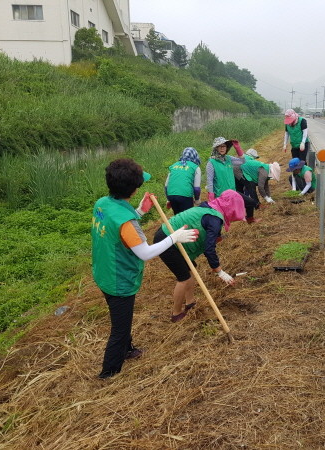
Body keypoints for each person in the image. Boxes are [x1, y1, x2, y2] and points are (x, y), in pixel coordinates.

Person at [91, 158, 198, 379]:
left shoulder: (102, 203)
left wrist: (140, 211)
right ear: (133, 189)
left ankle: (128, 350)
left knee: (123, 318)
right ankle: (109, 373)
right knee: (119, 329)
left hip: (103, 271)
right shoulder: (126, 221)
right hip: (118, 280)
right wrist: (173, 237)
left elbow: (119, 229)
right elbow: (146, 253)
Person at [153, 190, 246, 322]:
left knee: (191, 270)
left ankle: (190, 303)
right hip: (168, 240)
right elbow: (209, 249)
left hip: (171, 236)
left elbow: (204, 228)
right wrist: (219, 271)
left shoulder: (210, 208)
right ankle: (176, 313)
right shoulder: (214, 218)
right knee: (183, 277)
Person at [207, 136, 260, 223]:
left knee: (250, 202)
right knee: (219, 216)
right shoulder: (211, 162)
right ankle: (218, 235)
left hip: (232, 192)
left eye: (224, 146)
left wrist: (238, 148)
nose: (222, 148)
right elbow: (209, 181)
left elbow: (243, 161)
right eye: (220, 146)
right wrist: (211, 196)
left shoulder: (228, 159)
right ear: (216, 148)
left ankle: (250, 219)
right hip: (221, 194)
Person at [165, 147, 201, 214]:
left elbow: (166, 186)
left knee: (178, 217)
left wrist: (168, 199)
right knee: (187, 218)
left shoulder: (173, 166)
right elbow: (196, 188)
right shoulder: (195, 167)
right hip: (185, 196)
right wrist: (197, 200)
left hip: (171, 195)